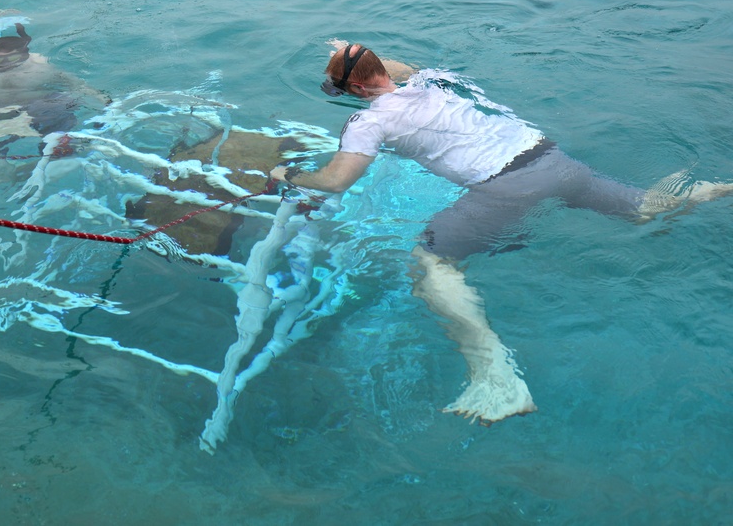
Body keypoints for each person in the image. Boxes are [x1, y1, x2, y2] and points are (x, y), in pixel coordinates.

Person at [270, 41, 732, 425]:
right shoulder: (433, 80)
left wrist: (289, 176)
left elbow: (336, 181)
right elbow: (397, 70)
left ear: (353, 88)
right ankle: (708, 192)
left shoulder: (368, 120)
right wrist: (357, 51)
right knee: (642, 209)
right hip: (554, 160)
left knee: (430, 262)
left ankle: (494, 373)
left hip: (506, 189)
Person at [0, 24, 111, 182]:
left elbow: (75, 85)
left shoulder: (40, 66)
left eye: (13, 60)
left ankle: (59, 146)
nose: (4, 66)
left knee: (61, 102)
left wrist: (103, 100)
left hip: (34, 104)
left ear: (25, 55)